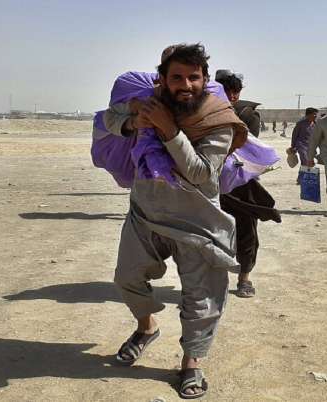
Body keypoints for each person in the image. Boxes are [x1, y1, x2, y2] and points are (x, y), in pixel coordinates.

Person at [106, 44, 247, 398]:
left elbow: (200, 173)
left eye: (193, 77)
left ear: (205, 79)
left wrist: (168, 130)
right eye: (177, 77)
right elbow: (106, 118)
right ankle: (146, 327)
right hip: (146, 214)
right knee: (127, 279)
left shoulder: (219, 119)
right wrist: (131, 121)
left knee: (201, 298)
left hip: (198, 221)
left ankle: (192, 362)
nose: (186, 84)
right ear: (163, 79)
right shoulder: (149, 102)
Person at [215, 69, 281, 299]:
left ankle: (245, 277)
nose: (232, 95)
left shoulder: (247, 113)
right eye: (228, 90)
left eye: (236, 91)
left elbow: (245, 145)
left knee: (247, 228)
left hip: (239, 180)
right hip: (207, 179)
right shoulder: (199, 108)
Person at [214, 69, 262, 138]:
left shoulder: (249, 115)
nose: (231, 96)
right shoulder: (206, 109)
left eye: (235, 92)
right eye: (226, 91)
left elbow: (249, 146)